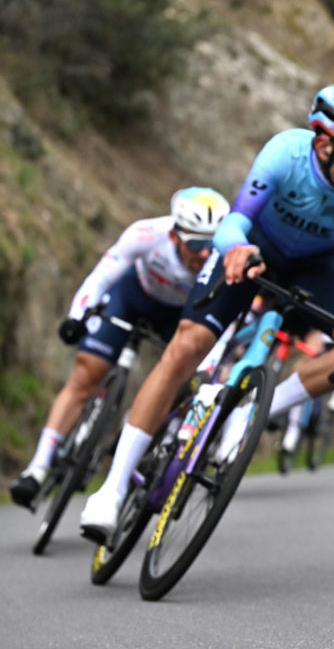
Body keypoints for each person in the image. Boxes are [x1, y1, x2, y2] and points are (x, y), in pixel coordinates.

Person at [77, 82, 334, 538]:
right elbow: (234, 223)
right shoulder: (285, 153)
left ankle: (259, 413)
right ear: (324, 143)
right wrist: (235, 249)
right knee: (187, 346)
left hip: (313, 267)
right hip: (255, 248)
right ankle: (110, 490)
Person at [8, 187, 230, 509]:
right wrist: (77, 316)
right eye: (196, 243)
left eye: (211, 245)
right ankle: (39, 467)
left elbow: (218, 321)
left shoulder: (223, 257)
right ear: (175, 234)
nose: (204, 254)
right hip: (131, 298)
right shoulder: (146, 234)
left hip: (179, 316)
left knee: (177, 380)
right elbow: (101, 277)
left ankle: (133, 432)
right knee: (87, 375)